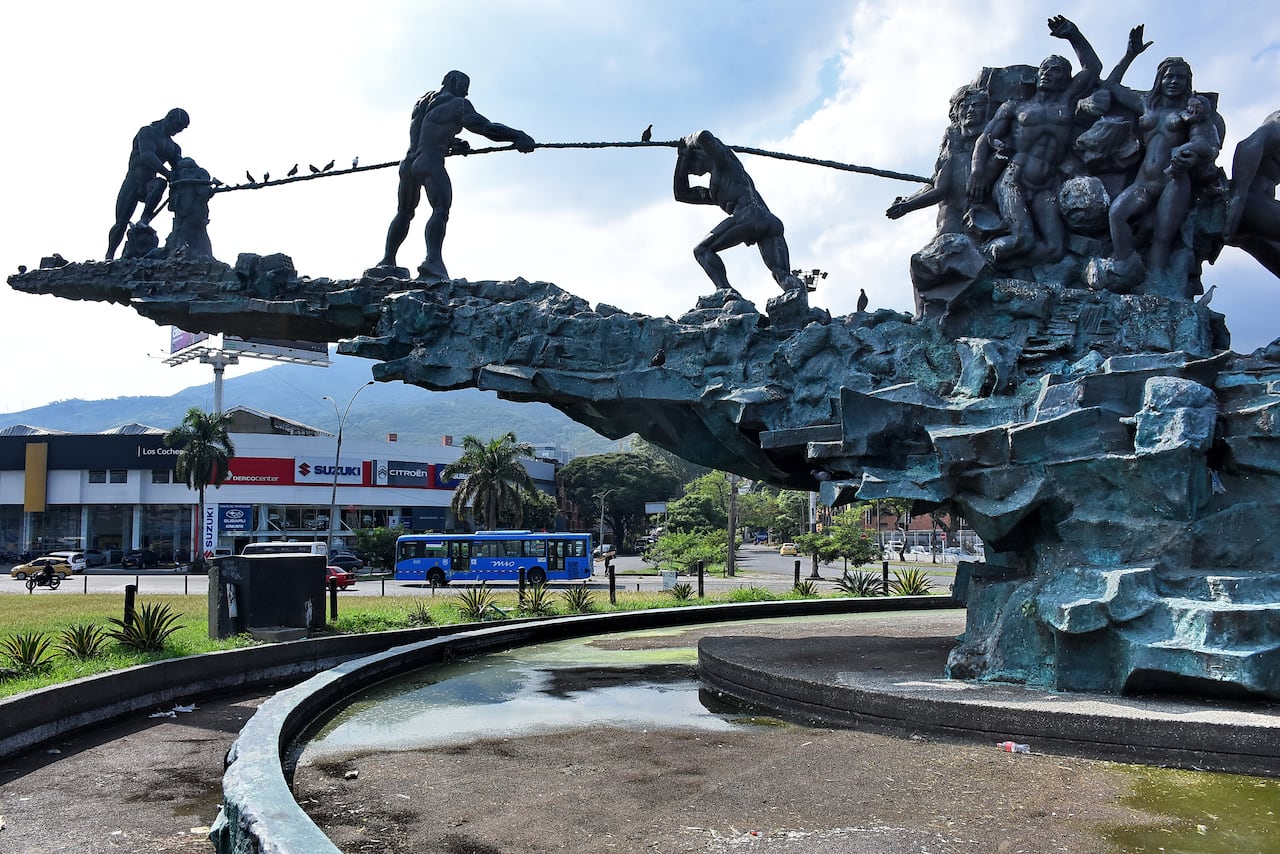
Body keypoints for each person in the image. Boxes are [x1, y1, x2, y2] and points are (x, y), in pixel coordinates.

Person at [967, 16, 1102, 266]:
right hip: (1013, 180)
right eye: (1044, 69)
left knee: (1055, 249)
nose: (1048, 74)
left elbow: (1093, 69)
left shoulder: (1067, 100)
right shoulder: (1015, 107)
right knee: (1023, 239)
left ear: (1064, 78)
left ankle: (1003, 268)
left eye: (1055, 70)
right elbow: (985, 138)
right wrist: (977, 171)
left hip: (1045, 187)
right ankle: (979, 261)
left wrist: (1073, 35)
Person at [374, 70, 535, 281]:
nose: (466, 94)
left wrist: (451, 143)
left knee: (404, 212)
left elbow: (427, 131)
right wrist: (518, 136)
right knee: (440, 209)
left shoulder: (421, 102)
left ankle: (387, 261)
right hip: (429, 162)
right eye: (464, 88)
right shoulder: (458, 104)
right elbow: (487, 128)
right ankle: (432, 261)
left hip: (408, 163)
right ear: (453, 81)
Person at [1102, 58, 1221, 286]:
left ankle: (1155, 281)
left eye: (1181, 77)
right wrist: (1130, 55)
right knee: (1117, 214)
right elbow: (1111, 85)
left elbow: (1206, 144)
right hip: (1143, 182)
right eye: (1170, 76)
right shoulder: (1146, 104)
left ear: (1188, 82)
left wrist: (1187, 149)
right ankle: (1128, 264)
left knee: (1162, 235)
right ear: (1160, 79)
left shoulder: (1192, 110)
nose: (1175, 81)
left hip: (1173, 179)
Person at [673, 129, 806, 297]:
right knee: (783, 275)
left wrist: (687, 140)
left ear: (700, 155)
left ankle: (725, 292)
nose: (691, 172)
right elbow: (681, 194)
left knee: (702, 250)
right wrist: (682, 158)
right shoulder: (720, 188)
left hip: (749, 216)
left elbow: (703, 136)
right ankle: (801, 307)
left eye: (691, 167)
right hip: (770, 222)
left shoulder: (724, 160)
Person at [886, 84, 988, 236]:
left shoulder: (991, 139)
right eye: (964, 107)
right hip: (955, 212)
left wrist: (908, 205)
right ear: (956, 114)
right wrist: (907, 202)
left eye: (976, 105)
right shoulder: (953, 149)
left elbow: (939, 187)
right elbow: (938, 184)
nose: (970, 110)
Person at [106, 108, 190, 260]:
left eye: (181, 129)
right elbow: (147, 156)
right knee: (120, 223)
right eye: (177, 126)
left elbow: (179, 166)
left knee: (160, 184)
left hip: (148, 185)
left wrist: (193, 173)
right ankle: (109, 256)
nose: (177, 131)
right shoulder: (147, 132)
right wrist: (168, 173)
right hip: (133, 181)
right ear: (169, 118)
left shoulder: (173, 147)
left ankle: (144, 219)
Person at [1224, 110, 1280, 278]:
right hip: (1249, 202)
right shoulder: (1276, 123)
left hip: (1258, 214)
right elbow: (1249, 144)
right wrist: (1238, 196)